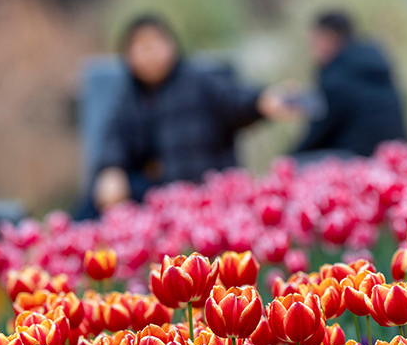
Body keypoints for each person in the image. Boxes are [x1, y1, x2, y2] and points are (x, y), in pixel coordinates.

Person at [89, 15, 291, 214]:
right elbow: (115, 136)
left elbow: (233, 98)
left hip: (210, 198)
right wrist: (111, 168)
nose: (149, 53)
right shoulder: (131, 96)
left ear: (172, 45)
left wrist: (261, 101)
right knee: (92, 201)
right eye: (141, 47)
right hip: (163, 201)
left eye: (155, 43)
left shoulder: (198, 81)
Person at [294, 11, 407, 160]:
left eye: (315, 42)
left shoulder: (336, 78)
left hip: (356, 161)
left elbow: (318, 134)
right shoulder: (374, 63)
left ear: (329, 38)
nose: (312, 51)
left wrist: (287, 159)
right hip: (395, 155)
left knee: (299, 163)